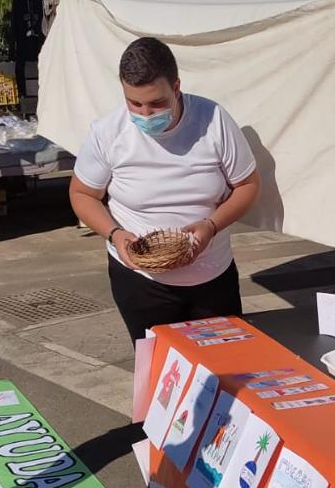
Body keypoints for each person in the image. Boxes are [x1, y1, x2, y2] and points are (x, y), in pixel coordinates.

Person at [70, 36, 262, 342]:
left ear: (176, 87)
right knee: (160, 376)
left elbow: (248, 185)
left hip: (212, 277)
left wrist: (211, 226)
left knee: (224, 373)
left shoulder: (214, 121)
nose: (145, 115)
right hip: (141, 283)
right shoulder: (107, 131)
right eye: (135, 103)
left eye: (157, 103)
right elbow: (82, 194)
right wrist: (115, 234)